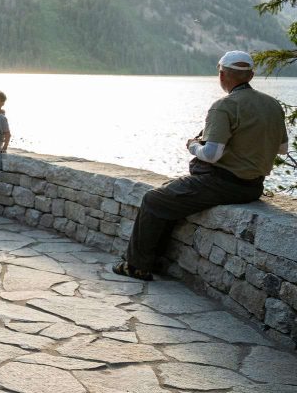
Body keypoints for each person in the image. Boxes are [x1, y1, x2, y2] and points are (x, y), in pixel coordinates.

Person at [114, 51, 287, 281]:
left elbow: (212, 154)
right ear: (251, 75)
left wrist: (193, 145)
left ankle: (137, 266)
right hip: (252, 186)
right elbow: (282, 148)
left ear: (222, 75)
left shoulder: (224, 106)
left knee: (153, 200)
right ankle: (154, 259)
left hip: (221, 183)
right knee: (169, 194)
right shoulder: (273, 105)